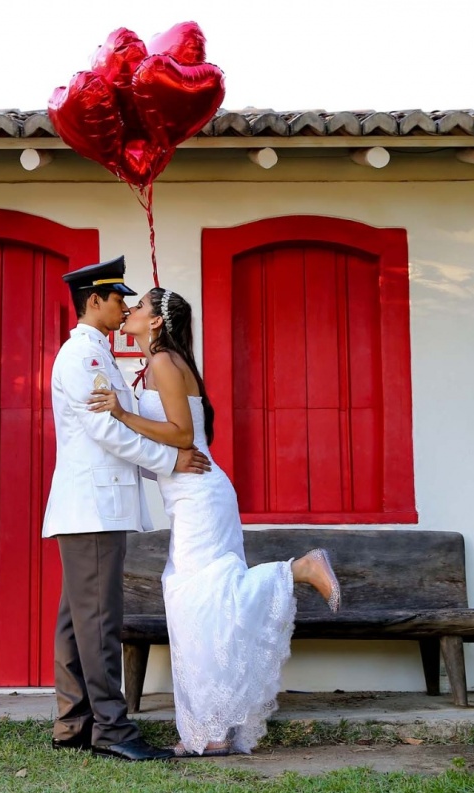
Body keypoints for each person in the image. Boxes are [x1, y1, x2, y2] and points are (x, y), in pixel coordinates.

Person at [88, 286, 342, 757]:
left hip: (200, 497)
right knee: (204, 606)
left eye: (139, 306)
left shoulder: (164, 362)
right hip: (192, 495)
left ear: (156, 321)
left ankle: (297, 569)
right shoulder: (160, 363)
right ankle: (214, 729)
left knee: (199, 600)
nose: (130, 311)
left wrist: (121, 413)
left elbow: (183, 434)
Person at [42, 257, 212, 762]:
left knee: (77, 620)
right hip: (93, 508)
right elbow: (107, 431)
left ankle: (74, 723)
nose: (124, 307)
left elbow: (120, 425)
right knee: (99, 622)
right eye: (119, 298)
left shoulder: (96, 352)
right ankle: (112, 730)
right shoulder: (83, 356)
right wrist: (172, 461)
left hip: (94, 506)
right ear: (94, 300)